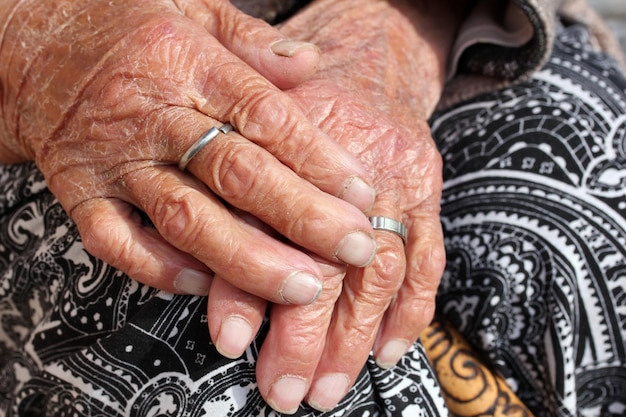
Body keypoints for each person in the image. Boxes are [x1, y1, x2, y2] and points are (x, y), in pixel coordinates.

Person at [0, 0, 625, 416]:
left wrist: (389, 31)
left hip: (443, 18)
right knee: (233, 355)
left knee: (590, 230)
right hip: (64, 57)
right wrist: (31, 42)